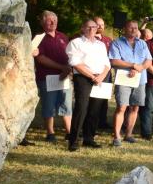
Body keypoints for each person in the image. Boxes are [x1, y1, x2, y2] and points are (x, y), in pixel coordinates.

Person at [65, 19, 111, 152]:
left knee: (95, 109)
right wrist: (91, 76)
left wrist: (101, 76)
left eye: (94, 27)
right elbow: (75, 63)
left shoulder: (101, 45)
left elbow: (107, 64)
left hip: (99, 77)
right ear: (82, 28)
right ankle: (73, 141)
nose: (92, 29)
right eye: (88, 27)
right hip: (83, 78)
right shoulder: (75, 43)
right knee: (81, 108)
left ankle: (89, 138)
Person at [108, 20, 152, 146]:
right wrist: (132, 65)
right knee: (121, 107)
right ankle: (117, 136)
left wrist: (140, 68)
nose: (134, 30)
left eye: (136, 28)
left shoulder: (142, 43)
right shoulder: (116, 43)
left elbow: (148, 60)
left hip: (140, 79)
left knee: (135, 107)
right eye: (131, 28)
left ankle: (128, 134)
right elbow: (114, 61)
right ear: (124, 29)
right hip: (124, 79)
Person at [32, 10, 72, 143]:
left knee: (66, 104)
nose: (53, 22)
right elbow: (41, 59)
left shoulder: (63, 37)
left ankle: (69, 132)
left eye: (55, 20)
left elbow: (70, 55)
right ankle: (51, 133)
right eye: (49, 20)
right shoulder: (39, 38)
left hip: (65, 77)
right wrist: (62, 68)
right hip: (47, 78)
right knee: (49, 106)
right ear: (43, 22)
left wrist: (68, 69)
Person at [92, 16, 113, 131]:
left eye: (102, 24)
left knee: (104, 99)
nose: (100, 27)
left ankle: (102, 121)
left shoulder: (108, 40)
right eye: (97, 24)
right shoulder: (86, 39)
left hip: (106, 73)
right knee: (93, 99)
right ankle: (91, 122)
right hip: (92, 74)